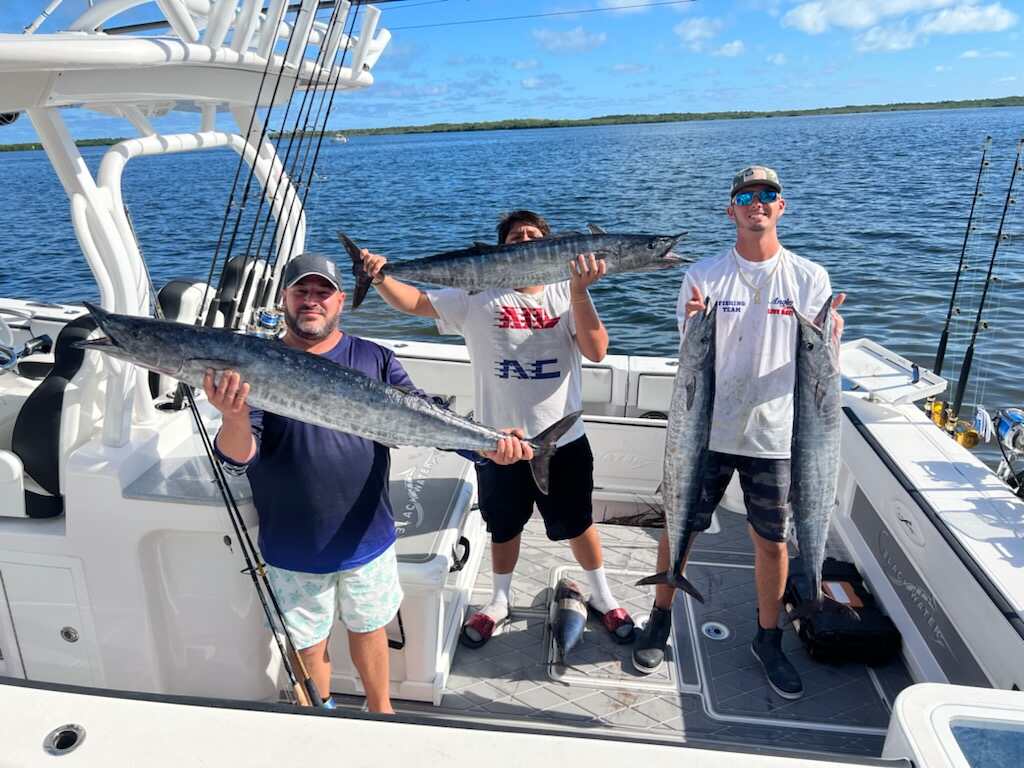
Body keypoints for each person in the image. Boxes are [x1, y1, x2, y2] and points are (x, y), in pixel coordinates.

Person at [207, 253, 530, 713]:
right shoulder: (258, 363)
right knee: (308, 646)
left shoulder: (373, 357)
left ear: (340, 300)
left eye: (322, 293)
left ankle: (382, 713)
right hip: (293, 541)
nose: (311, 301)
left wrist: (487, 444)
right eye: (301, 291)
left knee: (371, 630)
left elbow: (423, 416)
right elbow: (239, 459)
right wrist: (233, 416)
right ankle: (318, 721)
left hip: (369, 534)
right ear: (284, 299)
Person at [359, 210, 636, 649]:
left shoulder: (567, 290)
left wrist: (581, 292)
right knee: (503, 527)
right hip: (499, 443)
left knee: (579, 523)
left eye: (533, 234)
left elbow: (597, 350)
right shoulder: (476, 293)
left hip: (564, 440)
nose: (524, 238)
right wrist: (378, 276)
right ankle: (500, 600)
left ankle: (603, 595)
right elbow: (414, 302)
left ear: (550, 245)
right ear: (502, 248)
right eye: (514, 236)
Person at [631, 166, 846, 700]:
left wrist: (832, 340)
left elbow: (817, 364)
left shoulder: (808, 277)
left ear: (781, 206)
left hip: (776, 434)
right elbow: (691, 356)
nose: (757, 202)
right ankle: (660, 616)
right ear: (731, 210)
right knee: (680, 526)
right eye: (745, 196)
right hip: (703, 431)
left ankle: (768, 638)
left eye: (767, 194)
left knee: (771, 541)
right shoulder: (704, 275)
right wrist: (693, 321)